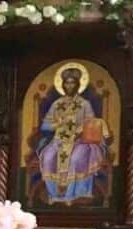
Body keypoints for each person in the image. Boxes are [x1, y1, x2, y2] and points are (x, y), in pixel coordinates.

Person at [37, 67, 111, 205]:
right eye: (66, 83)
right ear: (62, 85)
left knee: (75, 159)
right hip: (58, 141)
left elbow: (91, 123)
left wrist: (78, 130)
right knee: (47, 157)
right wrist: (57, 124)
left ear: (78, 85)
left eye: (72, 83)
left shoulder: (84, 104)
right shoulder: (56, 104)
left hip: (81, 141)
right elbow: (44, 126)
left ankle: (72, 194)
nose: (69, 85)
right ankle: (53, 195)